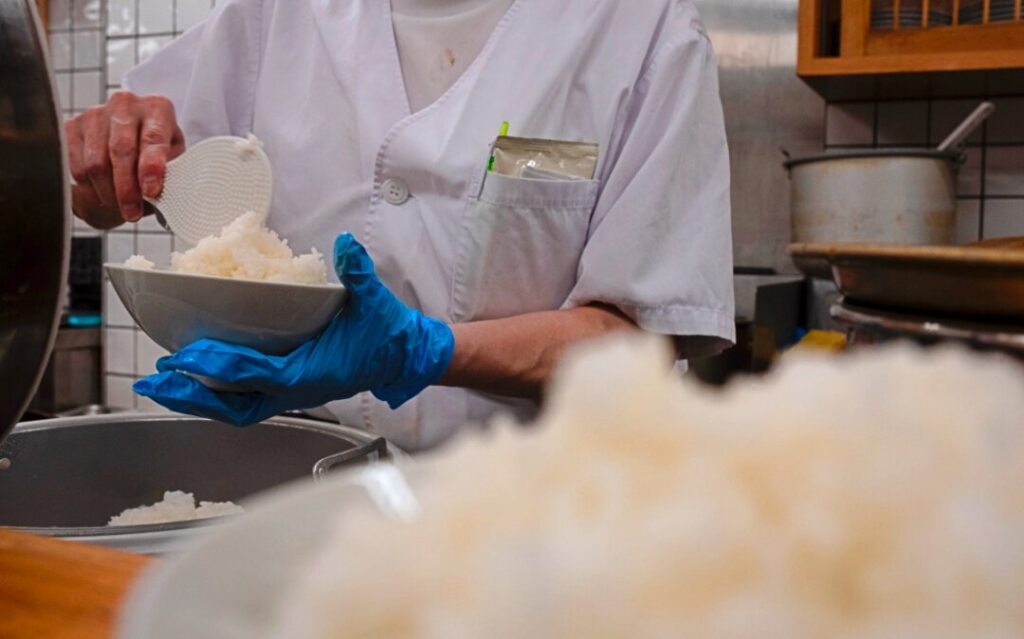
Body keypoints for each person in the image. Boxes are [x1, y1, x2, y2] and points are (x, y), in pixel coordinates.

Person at [68, 0, 735, 451]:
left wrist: (428, 350)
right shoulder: (273, 16)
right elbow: (112, 193)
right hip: (306, 492)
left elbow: (638, 342)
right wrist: (111, 158)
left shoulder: (642, 30)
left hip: (545, 512)